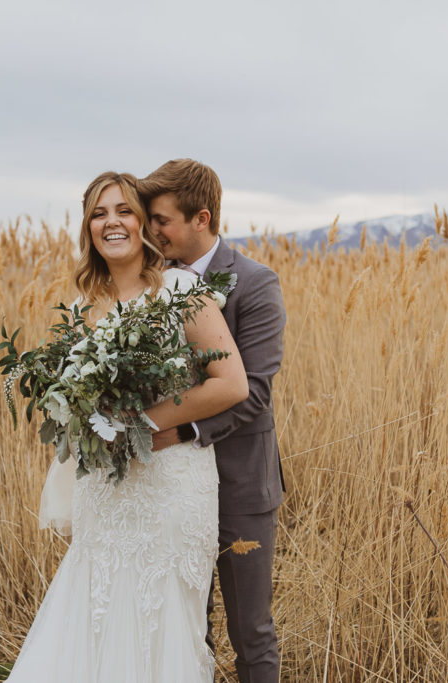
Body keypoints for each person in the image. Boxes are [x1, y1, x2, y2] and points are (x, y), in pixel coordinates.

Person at [4, 171, 249, 682]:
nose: (110, 222)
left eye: (123, 211)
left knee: (161, 629)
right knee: (93, 614)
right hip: (105, 493)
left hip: (170, 486)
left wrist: (139, 421)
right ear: (87, 228)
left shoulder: (181, 291)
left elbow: (231, 383)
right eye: (98, 213)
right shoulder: (80, 310)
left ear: (142, 224)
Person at [140, 159, 287, 683]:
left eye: (162, 220)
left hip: (242, 485)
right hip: (175, 484)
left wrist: (183, 431)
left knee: (251, 631)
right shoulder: (151, 287)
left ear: (201, 218)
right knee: (184, 627)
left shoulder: (255, 283)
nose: (152, 232)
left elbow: (256, 393)